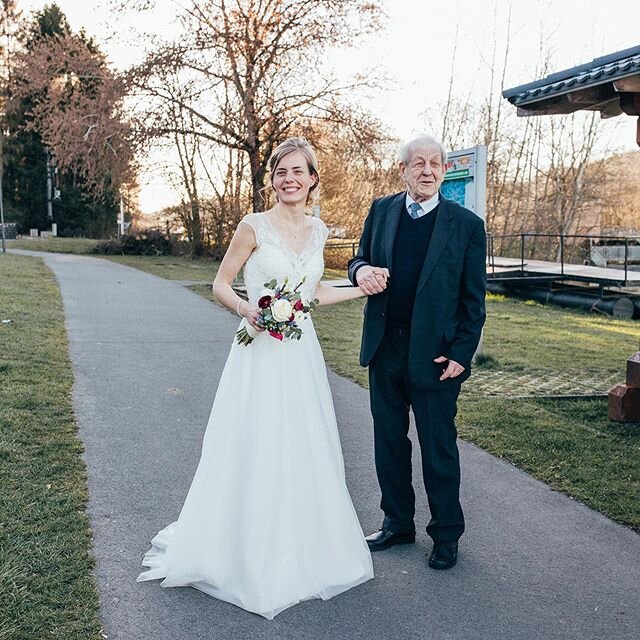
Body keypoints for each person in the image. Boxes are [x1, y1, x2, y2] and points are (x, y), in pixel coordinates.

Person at [137, 138, 373, 619]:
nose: (289, 179)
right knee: (254, 440)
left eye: (298, 171)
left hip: (301, 353)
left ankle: (300, 546)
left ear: (312, 179)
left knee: (303, 443)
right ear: (273, 179)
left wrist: (359, 289)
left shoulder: (320, 229)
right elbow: (221, 283)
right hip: (258, 351)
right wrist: (251, 311)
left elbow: (313, 293)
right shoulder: (253, 226)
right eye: (280, 171)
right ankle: (242, 547)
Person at [347, 134, 486, 570]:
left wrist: (462, 354)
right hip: (385, 346)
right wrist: (361, 269)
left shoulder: (465, 225)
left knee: (437, 446)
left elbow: (473, 301)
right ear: (402, 170)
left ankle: (446, 533)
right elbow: (358, 259)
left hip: (437, 356)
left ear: (444, 170)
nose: (427, 170)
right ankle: (397, 523)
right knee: (388, 441)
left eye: (435, 164)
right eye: (418, 163)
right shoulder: (381, 210)